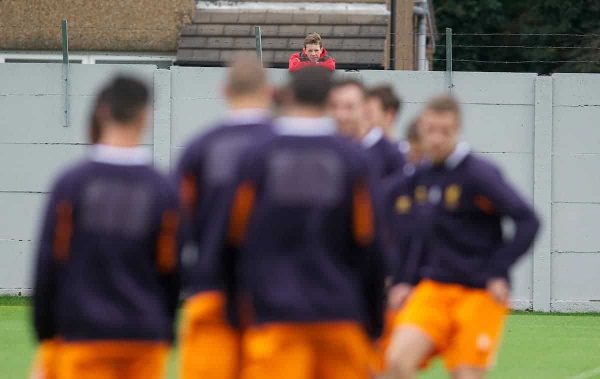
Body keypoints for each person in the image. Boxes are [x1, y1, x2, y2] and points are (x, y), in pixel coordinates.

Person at [222, 66, 385, 379]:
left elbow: (232, 240)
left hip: (276, 313)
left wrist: (235, 310)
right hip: (339, 312)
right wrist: (374, 320)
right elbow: (370, 245)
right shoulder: (354, 161)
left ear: (286, 97)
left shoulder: (257, 156)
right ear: (329, 103)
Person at [31, 76, 182, 379]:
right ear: (145, 117)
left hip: (83, 334)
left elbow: (50, 262)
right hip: (142, 336)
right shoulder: (163, 189)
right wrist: (165, 325)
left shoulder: (71, 184)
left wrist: (46, 332)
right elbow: (171, 268)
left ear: (101, 112)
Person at [384, 95, 540, 379]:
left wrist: (497, 270)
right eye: (430, 130)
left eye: (445, 131)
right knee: (395, 362)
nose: (437, 138)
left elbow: (528, 220)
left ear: (457, 130)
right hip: (434, 289)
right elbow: (416, 233)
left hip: (478, 292)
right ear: (421, 130)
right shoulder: (421, 175)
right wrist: (404, 281)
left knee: (466, 374)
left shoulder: (479, 174)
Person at [176, 54, 274, 379]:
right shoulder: (286, 147)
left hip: (212, 288)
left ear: (224, 92)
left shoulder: (200, 148)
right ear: (269, 92)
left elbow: (176, 225)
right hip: (276, 295)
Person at [328, 79, 405, 180]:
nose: (340, 115)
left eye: (349, 107)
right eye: (334, 107)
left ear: (364, 108)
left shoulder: (390, 155)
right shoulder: (327, 148)